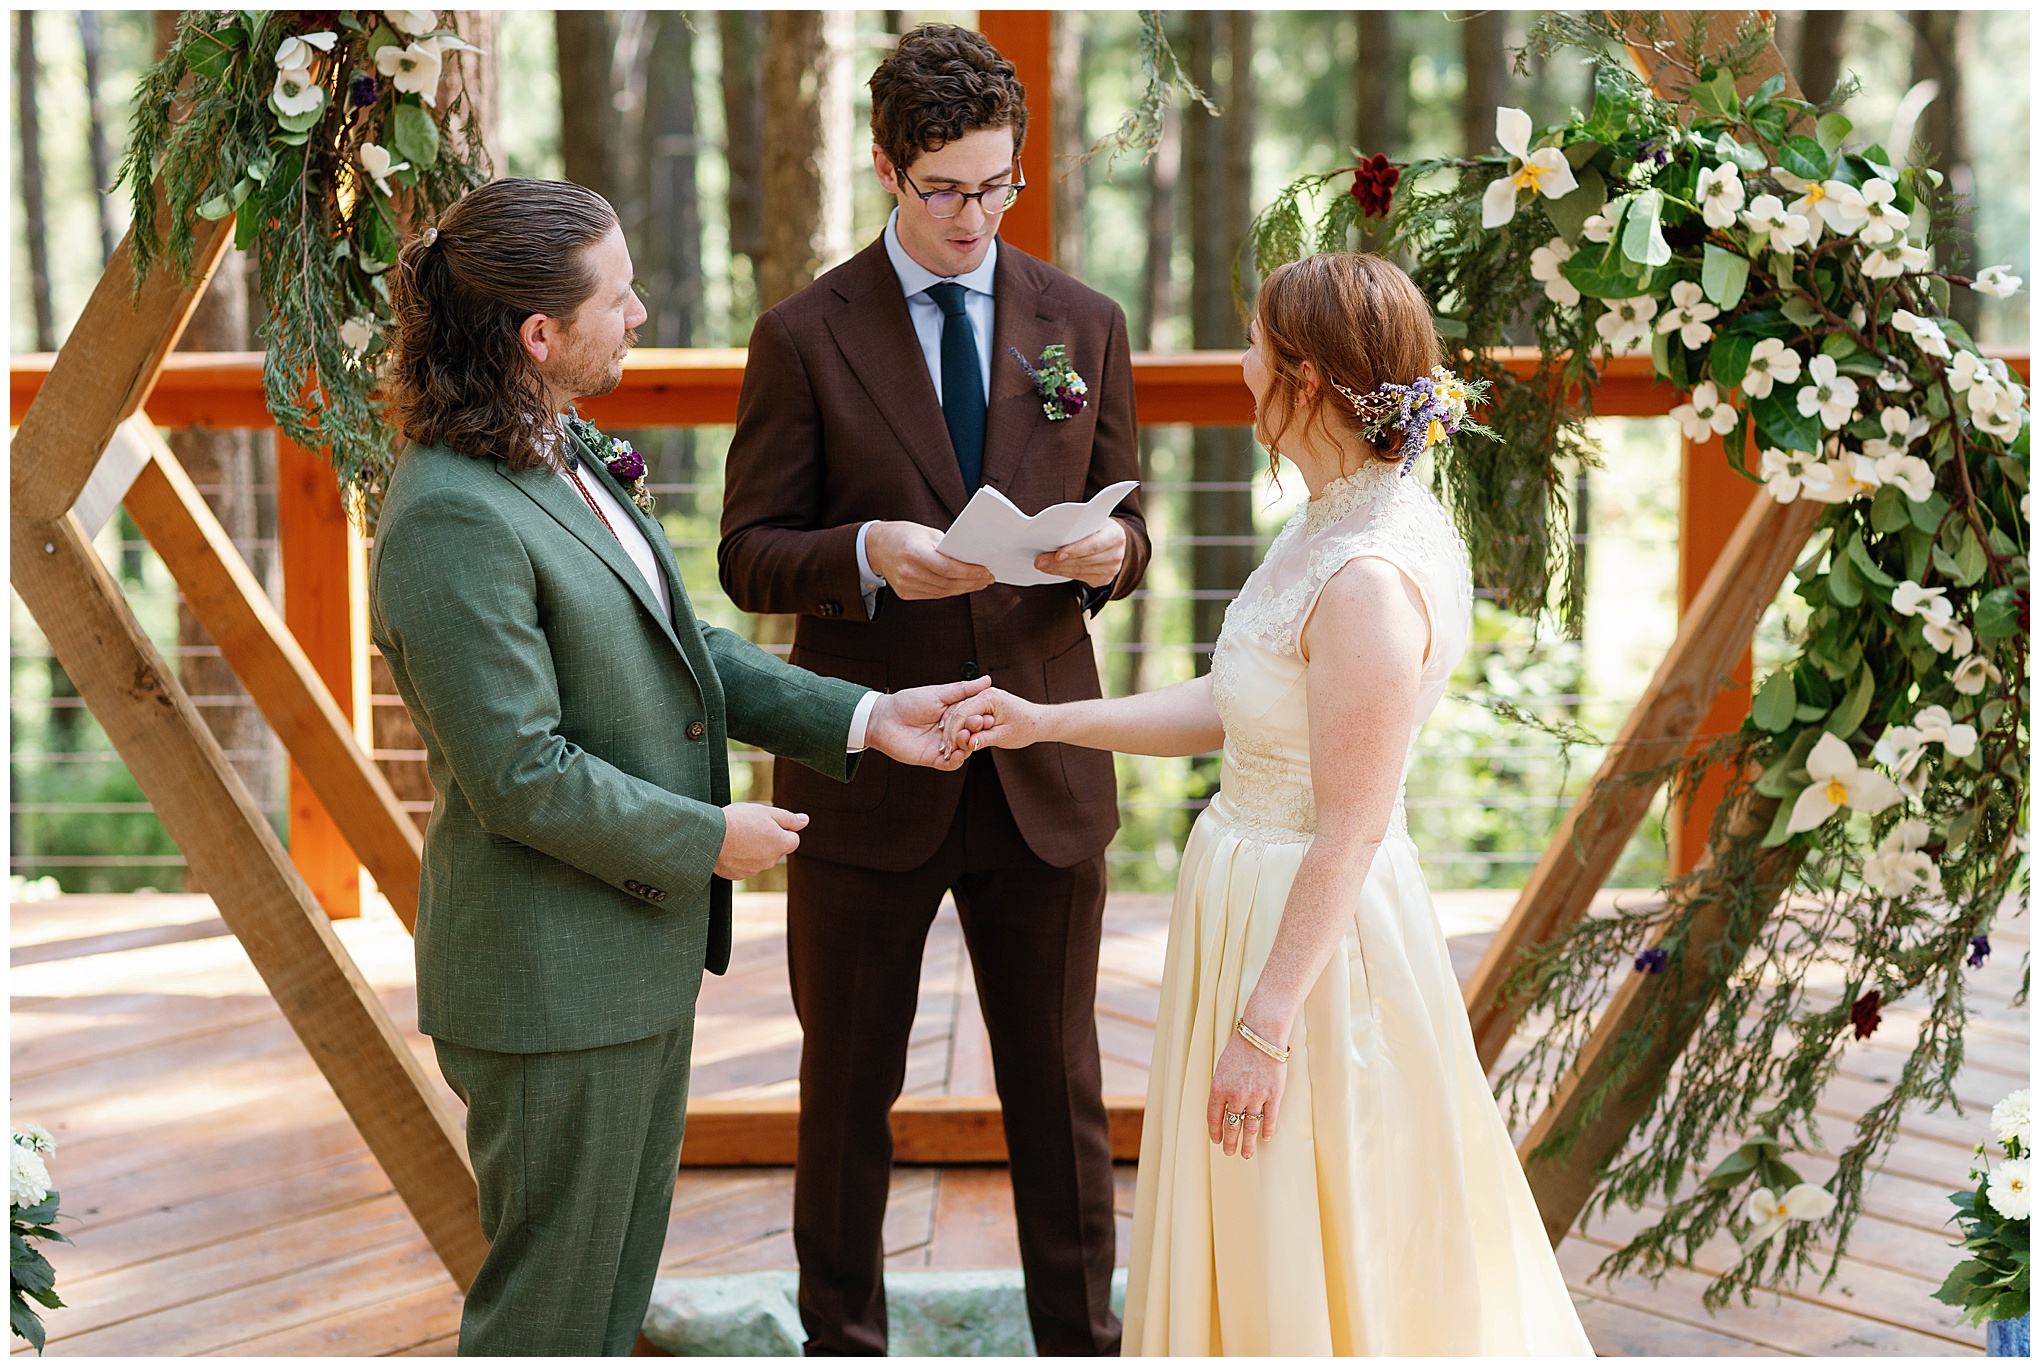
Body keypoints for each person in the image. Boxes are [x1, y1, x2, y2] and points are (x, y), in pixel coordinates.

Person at [368, 178, 990, 1356]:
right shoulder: (450, 515)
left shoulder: (557, 456)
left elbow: (682, 645)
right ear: (538, 336)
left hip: (624, 963)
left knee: (608, 1303)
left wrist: (867, 715)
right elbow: (520, 770)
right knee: (547, 1313)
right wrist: (712, 837)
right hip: (550, 983)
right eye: (620, 295)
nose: (644, 312)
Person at [942, 254, 1596, 1355]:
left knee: (1311, 1225)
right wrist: (1044, 720)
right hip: (1249, 903)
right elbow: (1242, 703)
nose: (1239, 365)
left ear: (1304, 380)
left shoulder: (1368, 580)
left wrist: (1263, 1026)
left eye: (1254, 347)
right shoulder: (1332, 517)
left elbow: (1349, 825)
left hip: (1309, 947)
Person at [717, 23, 1147, 1357]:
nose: (973, 217)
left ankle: (1082, 1340)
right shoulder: (802, 335)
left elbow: (1139, 536)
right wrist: (867, 556)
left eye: (996, 184)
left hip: (1041, 768)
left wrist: (1108, 552)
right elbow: (747, 553)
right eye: (944, 188)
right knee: (846, 1088)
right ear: (887, 168)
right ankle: (843, 1341)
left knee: (1060, 1093)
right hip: (866, 773)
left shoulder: (1083, 321)